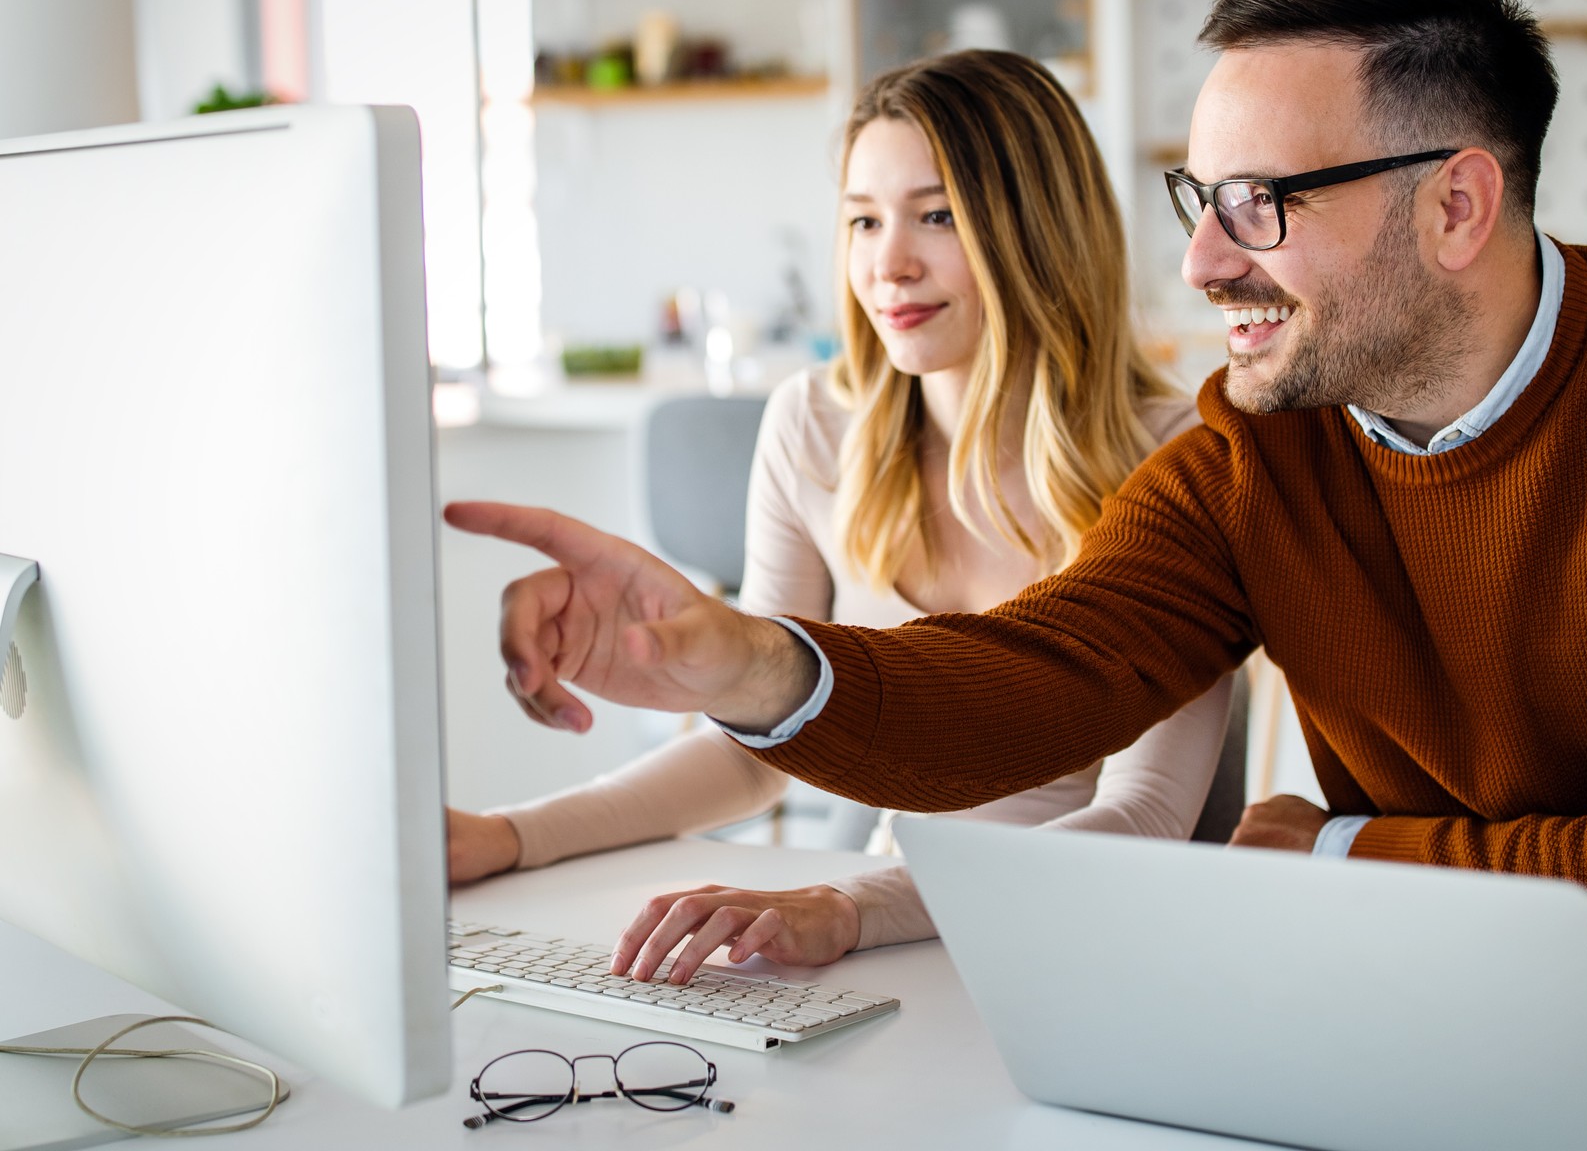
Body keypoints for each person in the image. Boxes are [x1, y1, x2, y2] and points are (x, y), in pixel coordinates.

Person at [446, 0, 1587, 989]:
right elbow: (1029, 683)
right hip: (1452, 977)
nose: (1205, 260)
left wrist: (1327, 844)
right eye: (1199, 200)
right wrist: (747, 661)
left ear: (1460, 203)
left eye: (1260, 205)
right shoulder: (1255, 446)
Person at [444, 48, 1233, 978]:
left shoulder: (1182, 456)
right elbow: (752, 752)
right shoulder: (815, 426)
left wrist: (852, 907)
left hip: (1083, 941)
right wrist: (510, 835)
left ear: (1038, 229)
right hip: (893, 934)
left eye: (937, 216)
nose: (887, 264)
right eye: (863, 220)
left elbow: (1142, 817)